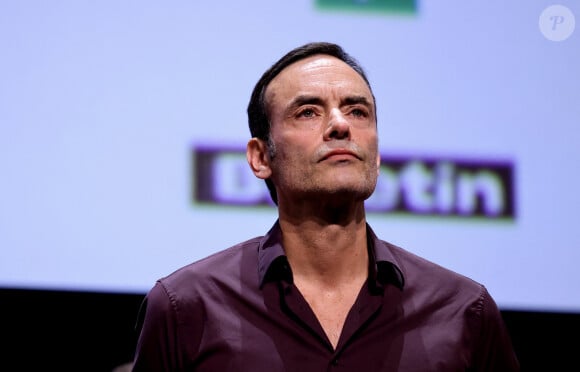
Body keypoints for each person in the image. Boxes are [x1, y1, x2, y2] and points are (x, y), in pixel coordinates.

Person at [131, 41, 520, 371]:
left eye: (357, 111)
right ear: (260, 157)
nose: (340, 126)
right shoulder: (186, 309)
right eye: (308, 112)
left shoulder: (465, 312)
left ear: (377, 153)